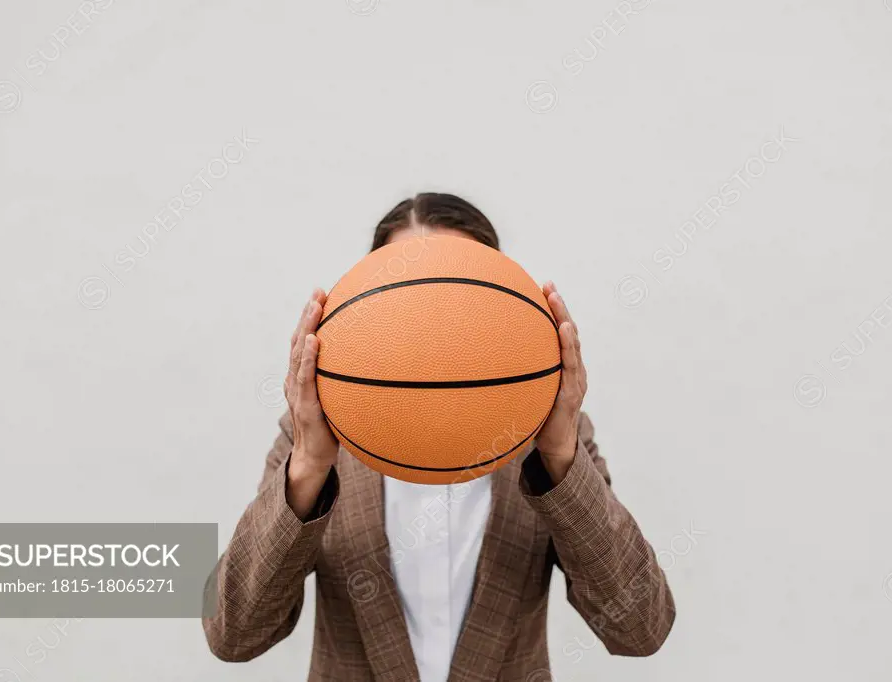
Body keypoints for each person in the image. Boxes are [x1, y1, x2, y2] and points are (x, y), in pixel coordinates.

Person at [202, 193, 676, 681]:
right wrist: (307, 468)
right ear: (369, 314)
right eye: (411, 302)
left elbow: (640, 629)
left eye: (454, 304)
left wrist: (559, 454)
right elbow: (233, 635)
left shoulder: (553, 440)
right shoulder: (310, 438)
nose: (434, 326)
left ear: (498, 310)